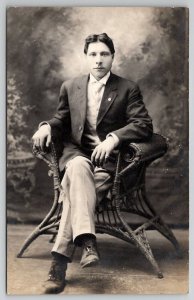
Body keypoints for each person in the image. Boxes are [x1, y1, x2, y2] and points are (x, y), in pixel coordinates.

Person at [32, 33, 153, 294]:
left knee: (75, 195)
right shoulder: (71, 86)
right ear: (86, 57)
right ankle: (87, 242)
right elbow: (60, 119)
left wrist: (112, 139)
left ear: (112, 56)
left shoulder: (127, 88)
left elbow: (143, 124)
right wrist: (46, 127)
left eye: (104, 54)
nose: (98, 60)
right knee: (76, 168)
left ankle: (59, 264)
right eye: (93, 54)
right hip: (78, 156)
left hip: (110, 165)